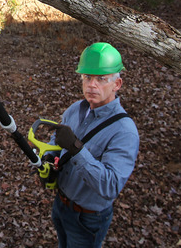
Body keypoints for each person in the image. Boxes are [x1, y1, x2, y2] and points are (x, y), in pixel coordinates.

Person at [46, 42, 139, 248]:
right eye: (87, 77)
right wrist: (49, 157)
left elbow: (110, 185)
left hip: (87, 219)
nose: (92, 85)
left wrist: (77, 150)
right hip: (61, 205)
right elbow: (57, 141)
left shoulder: (124, 132)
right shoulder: (74, 110)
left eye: (101, 79)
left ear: (117, 84)